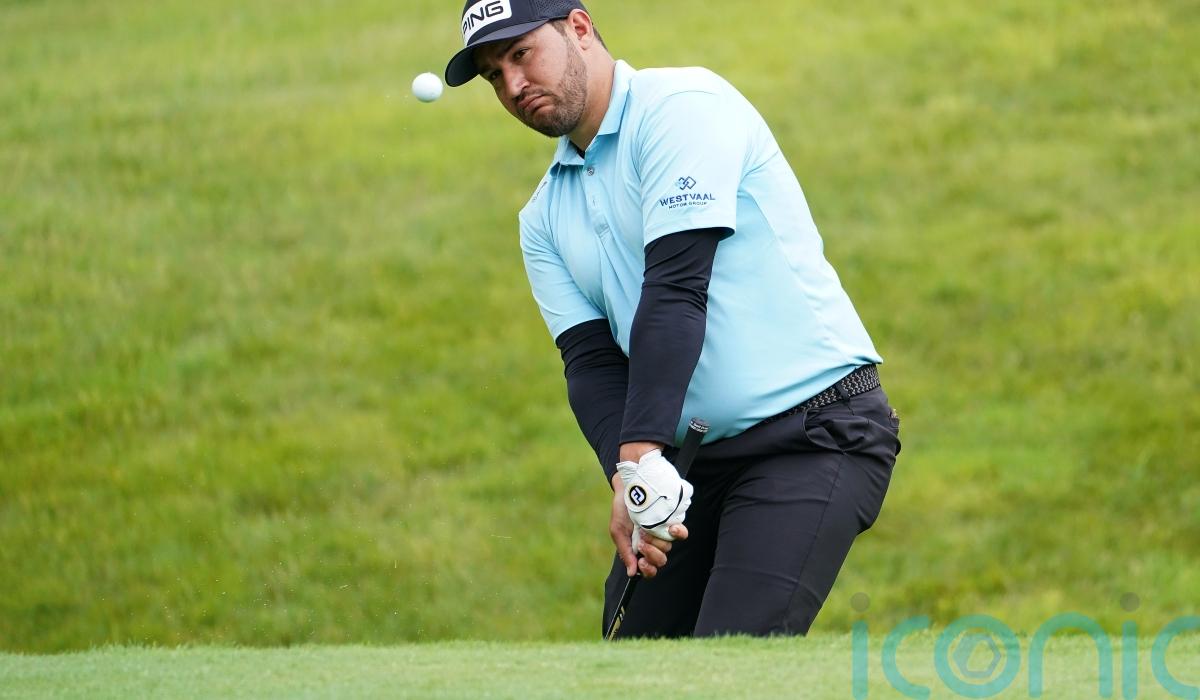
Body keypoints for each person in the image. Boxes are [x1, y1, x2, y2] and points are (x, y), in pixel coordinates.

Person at [444, 0, 901, 638]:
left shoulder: (682, 108)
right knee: (629, 667)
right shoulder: (542, 219)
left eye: (521, 54)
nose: (514, 85)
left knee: (729, 665)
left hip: (813, 433)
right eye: (495, 75)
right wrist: (630, 479)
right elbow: (591, 363)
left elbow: (678, 287)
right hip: (689, 462)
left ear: (580, 29)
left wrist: (638, 459)